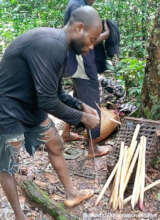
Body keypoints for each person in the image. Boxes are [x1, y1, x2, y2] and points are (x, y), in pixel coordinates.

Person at [0, 6, 102, 220]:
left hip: (30, 105)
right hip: (8, 109)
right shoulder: (51, 44)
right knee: (7, 165)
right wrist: (83, 119)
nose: (91, 46)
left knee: (55, 143)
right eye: (91, 39)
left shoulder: (61, 48)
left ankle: (71, 194)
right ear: (79, 27)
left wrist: (81, 106)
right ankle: (19, 216)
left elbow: (55, 91)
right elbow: (48, 101)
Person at [62, 0, 120, 158]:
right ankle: (93, 148)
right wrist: (105, 35)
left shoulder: (75, 4)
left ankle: (66, 133)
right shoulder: (79, 6)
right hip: (82, 62)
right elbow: (80, 41)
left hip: (73, 61)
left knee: (78, 97)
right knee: (92, 100)